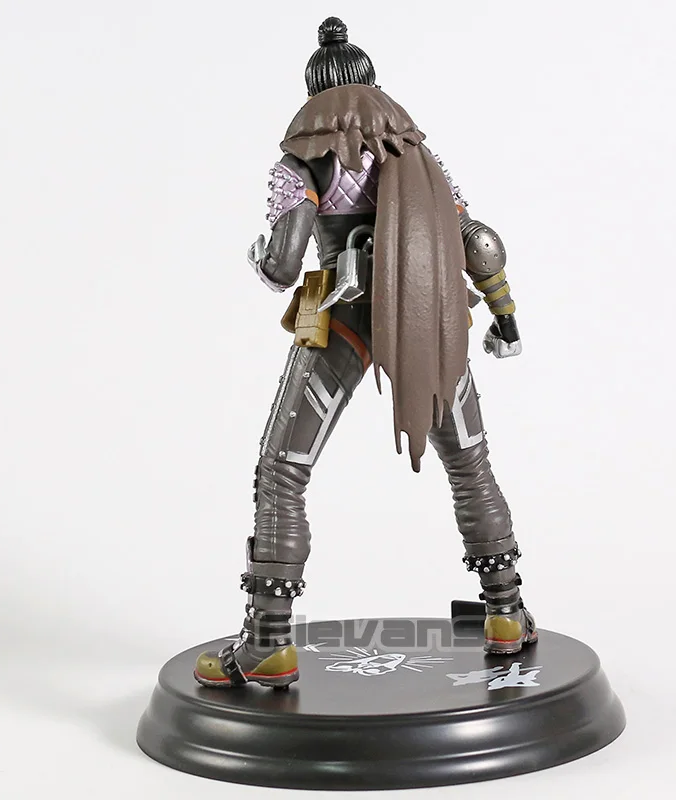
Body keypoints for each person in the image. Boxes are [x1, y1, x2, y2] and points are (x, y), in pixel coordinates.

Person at [194, 17, 537, 689]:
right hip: (428, 319)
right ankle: (505, 612)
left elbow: (283, 266)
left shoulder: (302, 165)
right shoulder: (419, 158)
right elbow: (476, 239)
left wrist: (260, 260)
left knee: (282, 471)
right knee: (469, 465)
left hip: (343, 319)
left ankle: (268, 642)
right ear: (372, 84)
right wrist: (505, 319)